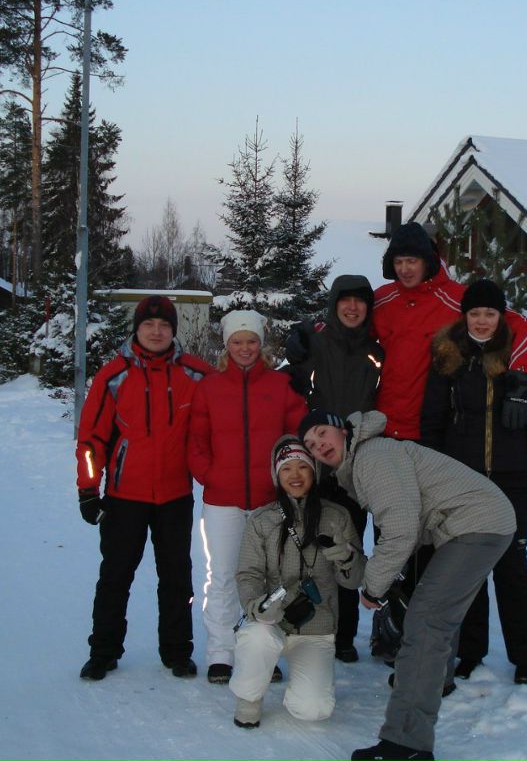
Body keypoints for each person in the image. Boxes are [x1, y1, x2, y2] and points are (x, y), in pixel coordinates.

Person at [301, 408, 516, 761]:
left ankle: (406, 745)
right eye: (311, 444)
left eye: (322, 434)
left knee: (426, 623)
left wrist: (373, 587)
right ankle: (424, 704)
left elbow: (400, 528)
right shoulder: (362, 463)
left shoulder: (373, 456)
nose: (318, 445)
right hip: (473, 524)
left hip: (475, 523)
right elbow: (408, 521)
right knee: (431, 621)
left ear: (342, 431)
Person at [421, 279, 527, 685]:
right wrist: (431, 476)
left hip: (510, 478)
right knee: (469, 570)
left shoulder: (517, 361)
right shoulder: (448, 358)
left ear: (501, 317)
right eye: (475, 313)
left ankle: (525, 655)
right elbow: (433, 421)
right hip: (463, 481)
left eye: (489, 314)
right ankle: (471, 650)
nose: (481, 321)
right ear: (465, 316)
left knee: (513, 567)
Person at [74, 295, 213, 681]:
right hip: (124, 498)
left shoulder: (195, 374)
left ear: (173, 331)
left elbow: (234, 399)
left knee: (177, 577)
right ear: (136, 330)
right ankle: (103, 651)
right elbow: (91, 440)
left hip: (174, 497)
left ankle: (177, 651)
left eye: (164, 326)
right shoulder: (114, 375)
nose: (156, 332)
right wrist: (88, 489)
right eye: (149, 325)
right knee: (115, 575)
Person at [188, 309, 309, 684]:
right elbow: (196, 441)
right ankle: (220, 653)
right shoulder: (209, 387)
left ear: (261, 344)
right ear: (226, 345)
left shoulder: (277, 386)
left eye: (251, 341)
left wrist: (284, 482)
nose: (245, 348)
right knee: (222, 575)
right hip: (221, 499)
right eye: (237, 342)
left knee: (269, 578)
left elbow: (297, 436)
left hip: (268, 500)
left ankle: (263, 650)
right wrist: (209, 474)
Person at [230, 435, 367, 729]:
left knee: (314, 709)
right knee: (256, 638)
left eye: (303, 468)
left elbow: (355, 580)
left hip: (316, 626)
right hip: (272, 621)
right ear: (277, 475)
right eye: (286, 468)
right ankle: (249, 697)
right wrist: (256, 605)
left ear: (314, 472)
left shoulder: (337, 516)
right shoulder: (262, 520)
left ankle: (304, 689)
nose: (295, 475)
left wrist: (347, 558)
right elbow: (248, 573)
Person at [283, 274, 383, 662]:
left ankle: (343, 636)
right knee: (310, 545)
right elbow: (284, 384)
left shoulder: (377, 350)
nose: (353, 308)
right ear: (334, 304)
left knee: (349, 549)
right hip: (315, 465)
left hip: (358, 466)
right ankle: (309, 623)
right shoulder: (315, 342)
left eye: (360, 302)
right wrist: (299, 334)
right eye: (346, 301)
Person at [372, 222, 527, 441]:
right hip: (385, 426)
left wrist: (518, 381)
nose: (405, 269)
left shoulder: (458, 300)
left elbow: (525, 329)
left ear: (427, 261)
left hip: (434, 430)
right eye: (399, 262)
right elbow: (345, 329)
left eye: (412, 261)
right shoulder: (382, 300)